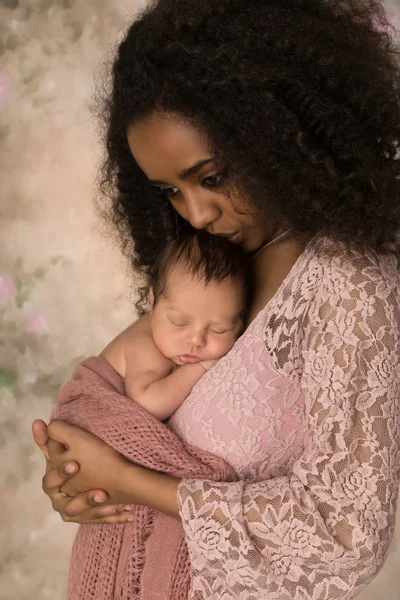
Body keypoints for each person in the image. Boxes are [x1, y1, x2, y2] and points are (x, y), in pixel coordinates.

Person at [32, 0, 400, 598]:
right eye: (169, 191)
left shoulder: (349, 286)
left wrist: (128, 480)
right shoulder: (212, 266)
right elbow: (119, 389)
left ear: (279, 134)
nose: (197, 213)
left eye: (211, 176)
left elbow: (347, 534)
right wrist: (75, 473)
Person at [100, 230, 249, 419]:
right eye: (179, 323)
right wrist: (201, 368)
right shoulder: (144, 345)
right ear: (153, 302)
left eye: (218, 330)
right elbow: (148, 405)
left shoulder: (169, 340)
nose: (196, 340)